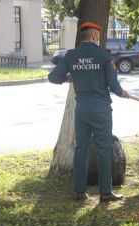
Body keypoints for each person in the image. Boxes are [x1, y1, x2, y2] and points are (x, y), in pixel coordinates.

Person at [48, 22, 129, 202]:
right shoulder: (104, 55)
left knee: (81, 148)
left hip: (82, 108)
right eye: (98, 36)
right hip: (101, 109)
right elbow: (113, 84)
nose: (99, 39)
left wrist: (68, 77)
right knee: (103, 148)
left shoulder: (71, 56)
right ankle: (105, 193)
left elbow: (53, 77)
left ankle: (79, 191)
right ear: (94, 36)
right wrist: (121, 92)